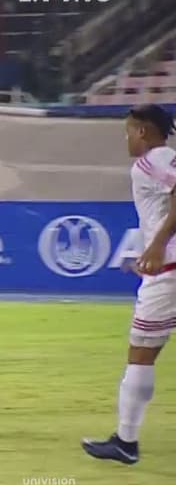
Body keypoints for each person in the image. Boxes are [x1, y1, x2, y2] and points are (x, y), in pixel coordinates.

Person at [83, 103, 176, 465]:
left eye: (128, 132)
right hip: (165, 268)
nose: (126, 139)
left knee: (141, 352)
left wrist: (156, 247)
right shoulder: (164, 160)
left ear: (142, 131)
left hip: (168, 273)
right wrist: (146, 252)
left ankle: (126, 441)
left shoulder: (151, 161)